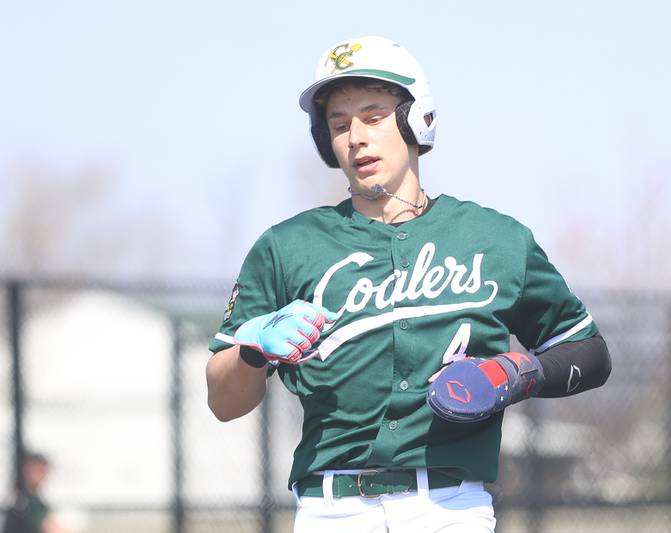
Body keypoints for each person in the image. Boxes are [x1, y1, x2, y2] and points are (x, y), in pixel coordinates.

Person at [206, 36, 612, 532]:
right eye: (339, 124)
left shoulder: (495, 240)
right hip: (330, 510)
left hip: (450, 510)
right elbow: (223, 403)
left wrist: (515, 372)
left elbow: (590, 353)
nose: (355, 137)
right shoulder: (287, 246)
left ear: (416, 119)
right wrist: (253, 350)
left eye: (373, 117)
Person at [2, 452, 67, 533]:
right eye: (39, 470)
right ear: (27, 470)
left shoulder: (36, 500)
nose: (43, 475)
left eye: (44, 471)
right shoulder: (22, 499)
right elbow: (48, 528)